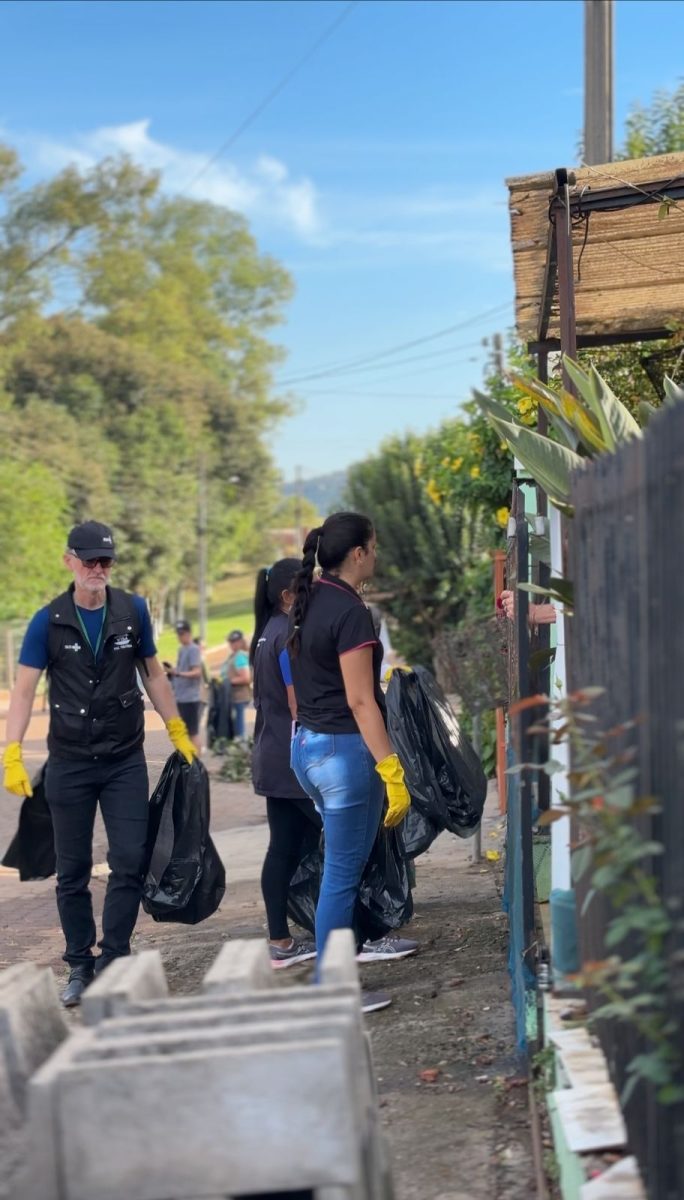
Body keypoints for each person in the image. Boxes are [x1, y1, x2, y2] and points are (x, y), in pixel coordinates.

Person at [1, 521, 197, 1008]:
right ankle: (79, 966)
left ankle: (114, 957)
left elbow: (153, 672)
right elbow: (24, 689)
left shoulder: (132, 611)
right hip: (69, 762)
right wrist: (12, 750)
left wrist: (176, 729)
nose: (98, 568)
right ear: (69, 560)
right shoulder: (49, 621)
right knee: (72, 870)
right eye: (89, 559)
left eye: (105, 560)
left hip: (123, 759)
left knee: (130, 858)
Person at [288, 512, 418, 1014]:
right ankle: (333, 988)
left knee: (342, 869)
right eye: (374, 547)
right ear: (359, 553)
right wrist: (392, 768)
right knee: (341, 875)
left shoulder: (309, 598)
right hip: (344, 755)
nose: (377, 555)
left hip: (308, 748)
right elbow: (362, 700)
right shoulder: (350, 613)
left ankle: (336, 976)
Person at [250, 558, 320, 969]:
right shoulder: (289, 637)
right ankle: (359, 935)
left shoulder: (266, 634)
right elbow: (299, 705)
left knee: (284, 848)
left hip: (273, 757)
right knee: (343, 843)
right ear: (286, 596)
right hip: (295, 761)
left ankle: (281, 939)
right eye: (305, 588)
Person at [168, 621, 203, 754]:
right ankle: (188, 760)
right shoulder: (182, 649)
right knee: (184, 732)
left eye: (182, 633)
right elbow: (182, 669)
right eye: (178, 634)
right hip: (181, 697)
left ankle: (196, 764)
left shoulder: (193, 649)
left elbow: (196, 672)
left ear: (188, 633)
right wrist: (172, 671)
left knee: (193, 732)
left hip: (190, 697)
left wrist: (177, 673)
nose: (180, 637)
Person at [222, 630, 252, 739]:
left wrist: (228, 681)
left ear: (240, 642)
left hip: (239, 696)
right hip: (233, 696)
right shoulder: (234, 655)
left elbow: (246, 678)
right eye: (231, 642)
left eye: (234, 642)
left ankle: (241, 748)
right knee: (236, 725)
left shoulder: (240, 656)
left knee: (239, 726)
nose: (232, 644)